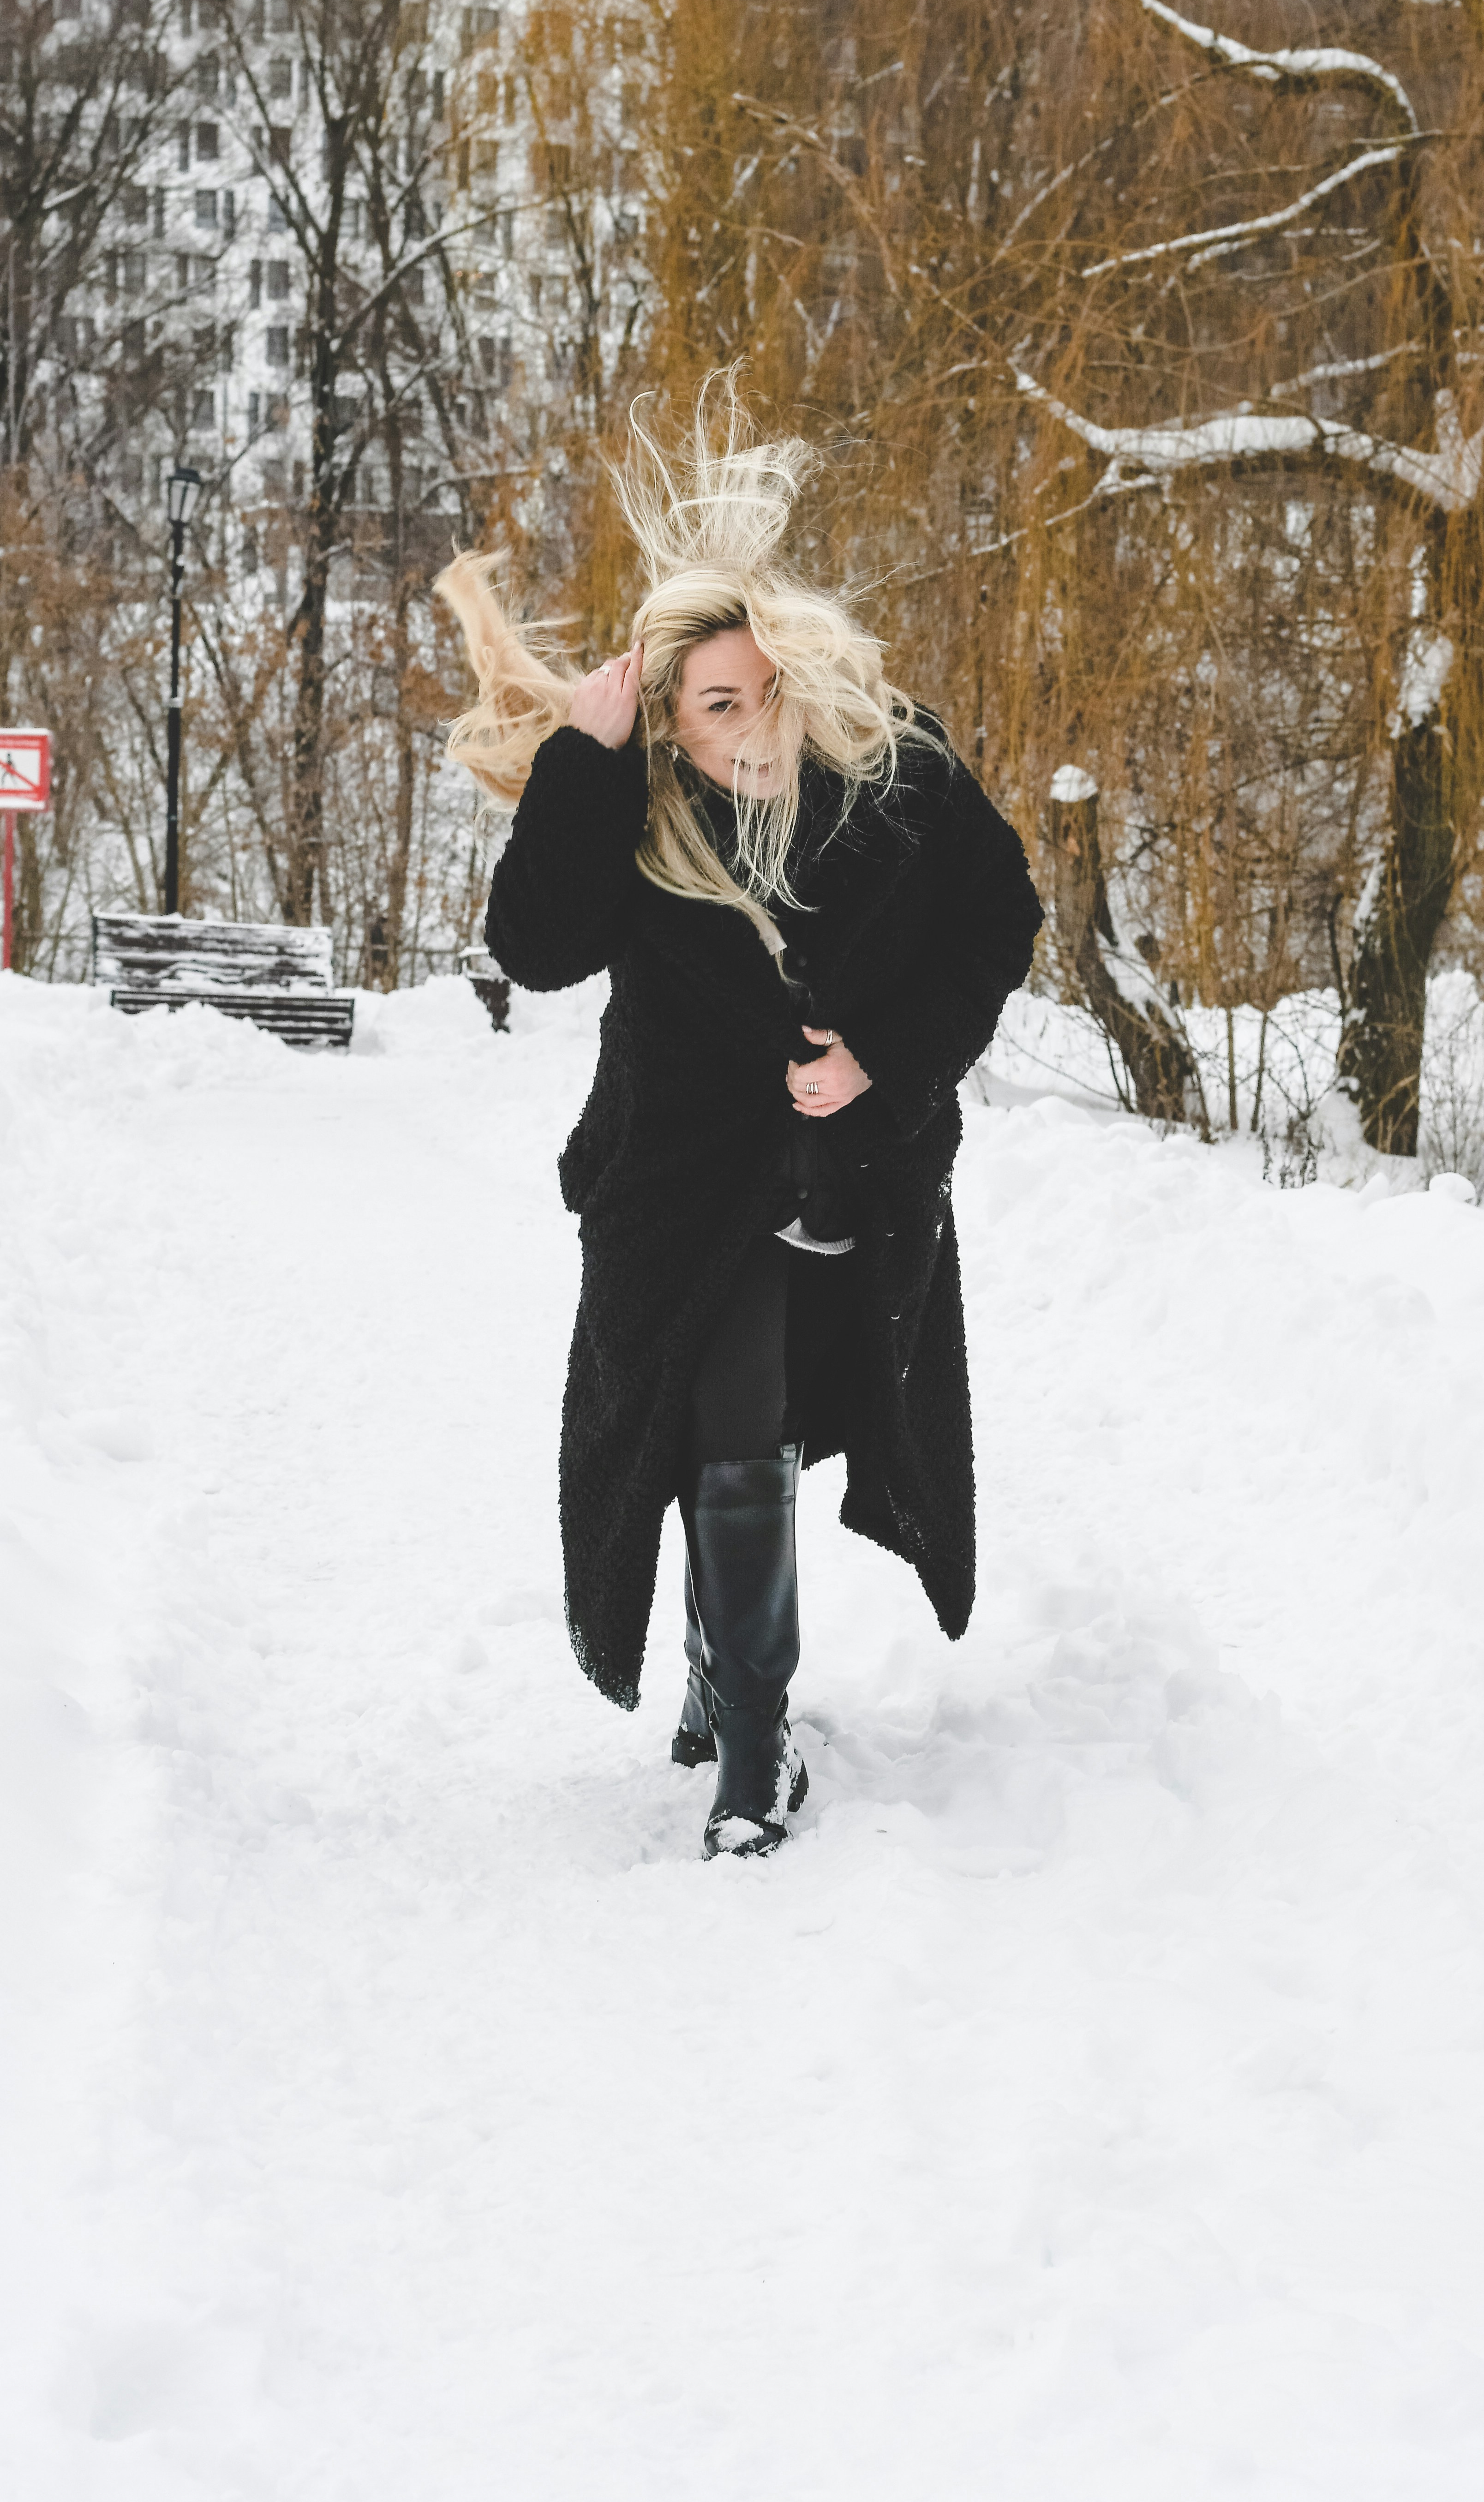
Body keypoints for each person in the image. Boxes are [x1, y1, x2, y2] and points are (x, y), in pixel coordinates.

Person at [436, 377, 1041, 1859]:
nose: (753, 723)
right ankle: (746, 1723)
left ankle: (742, 1715)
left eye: (767, 690)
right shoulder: (630, 812)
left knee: (763, 1419)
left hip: (855, 1172)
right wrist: (582, 759)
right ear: (670, 722)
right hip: (679, 1182)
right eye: (716, 704)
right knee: (727, 1423)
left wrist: (883, 1062)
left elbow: (1001, 919)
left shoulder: (898, 773)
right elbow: (537, 948)